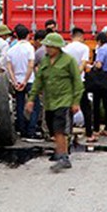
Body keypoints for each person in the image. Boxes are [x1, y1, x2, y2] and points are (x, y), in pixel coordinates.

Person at [26, 33, 83, 172]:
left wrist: (75, 102)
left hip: (64, 100)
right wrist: (31, 99)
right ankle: (59, 151)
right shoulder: (44, 61)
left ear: (58, 48)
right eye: (47, 46)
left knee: (59, 128)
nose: (48, 49)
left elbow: (77, 82)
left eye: (51, 47)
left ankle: (64, 157)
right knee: (52, 128)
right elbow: (38, 81)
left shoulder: (68, 61)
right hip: (49, 101)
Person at [6, 25, 37, 139]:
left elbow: (9, 67)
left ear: (16, 35)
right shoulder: (30, 48)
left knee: (19, 105)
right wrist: (25, 80)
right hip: (29, 80)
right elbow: (30, 65)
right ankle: (31, 131)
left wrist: (15, 81)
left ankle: (21, 129)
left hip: (17, 81)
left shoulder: (11, 49)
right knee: (34, 105)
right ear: (28, 35)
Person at [63, 28, 94, 141]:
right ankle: (89, 134)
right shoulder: (84, 47)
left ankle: (68, 132)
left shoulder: (66, 48)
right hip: (80, 81)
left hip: (68, 82)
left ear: (72, 36)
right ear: (81, 36)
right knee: (86, 107)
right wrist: (78, 74)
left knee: (68, 107)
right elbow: (84, 63)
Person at [90, 32, 107, 137]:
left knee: (96, 104)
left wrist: (92, 66)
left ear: (99, 41)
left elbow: (99, 65)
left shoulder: (101, 49)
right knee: (106, 103)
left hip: (99, 79)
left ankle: (96, 128)